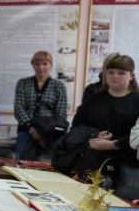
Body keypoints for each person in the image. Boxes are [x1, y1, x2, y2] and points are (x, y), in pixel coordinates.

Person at [74, 53, 139, 188]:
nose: (115, 76)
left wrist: (114, 144)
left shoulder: (137, 101)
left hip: (129, 165)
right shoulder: (93, 101)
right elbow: (77, 127)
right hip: (95, 163)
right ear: (105, 74)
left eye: (121, 73)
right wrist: (93, 135)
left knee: (123, 198)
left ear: (131, 76)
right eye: (111, 72)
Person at [14, 51, 68, 157]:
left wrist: (42, 132)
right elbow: (18, 108)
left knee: (49, 163)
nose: (41, 67)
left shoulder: (59, 86)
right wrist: (32, 128)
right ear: (33, 65)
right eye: (37, 64)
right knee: (20, 161)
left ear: (50, 65)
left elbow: (61, 114)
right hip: (27, 130)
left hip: (50, 133)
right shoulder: (22, 83)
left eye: (45, 64)